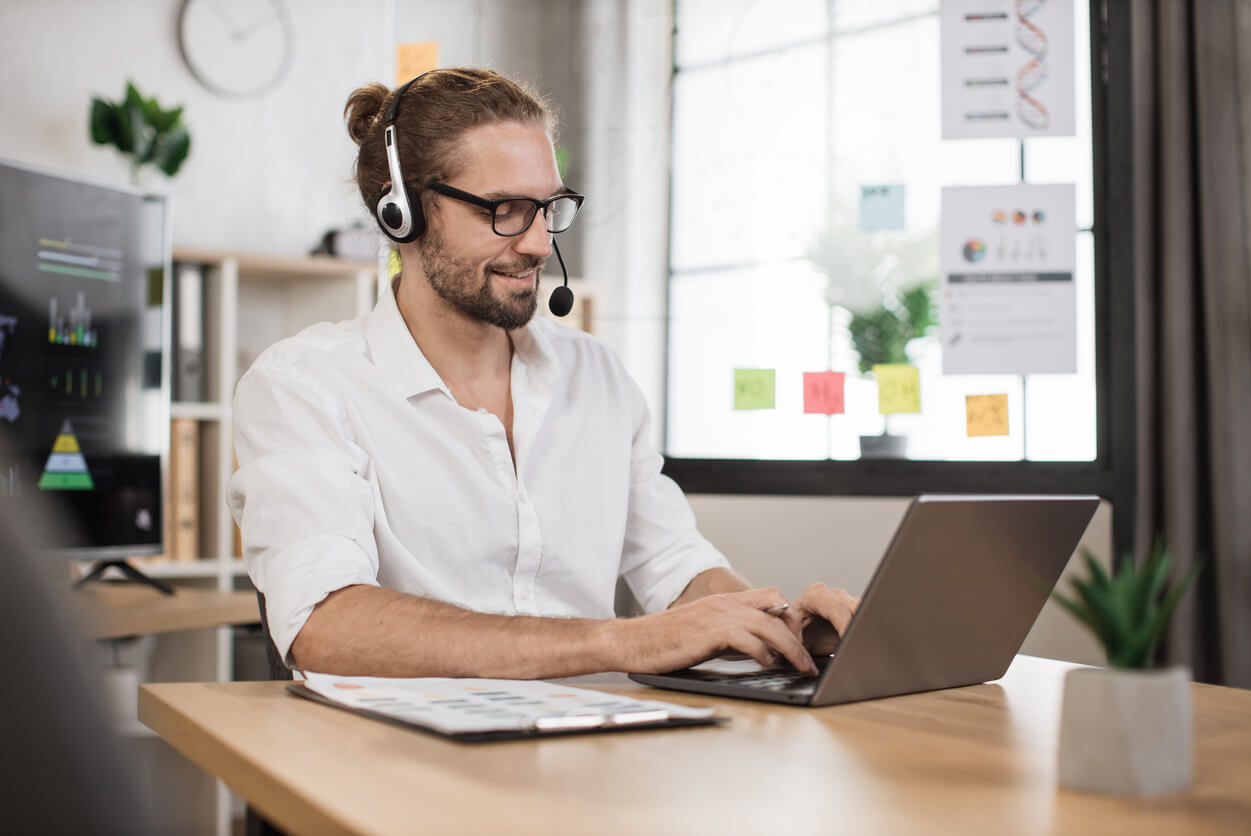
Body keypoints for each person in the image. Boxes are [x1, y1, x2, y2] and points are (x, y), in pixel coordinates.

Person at [227, 68, 858, 680]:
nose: (535, 243)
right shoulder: (303, 388)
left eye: (549, 208)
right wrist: (624, 641)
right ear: (404, 214)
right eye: (504, 209)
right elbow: (325, 626)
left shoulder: (597, 376)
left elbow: (674, 565)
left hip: (592, 754)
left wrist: (775, 629)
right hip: (402, 767)